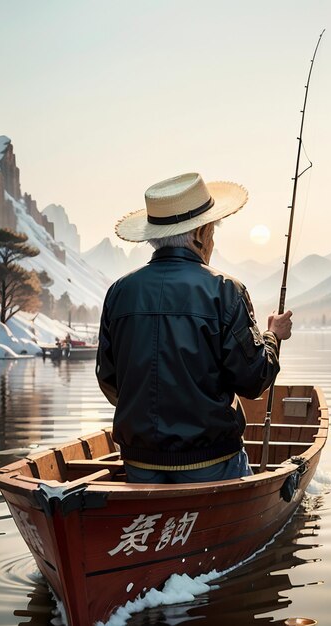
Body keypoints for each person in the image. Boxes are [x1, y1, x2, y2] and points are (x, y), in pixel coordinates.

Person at [96, 172, 292, 484]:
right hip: (211, 460)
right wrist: (273, 337)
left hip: (138, 461)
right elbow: (253, 380)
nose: (213, 238)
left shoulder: (119, 292)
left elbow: (108, 378)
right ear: (201, 232)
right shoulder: (225, 291)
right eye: (213, 229)